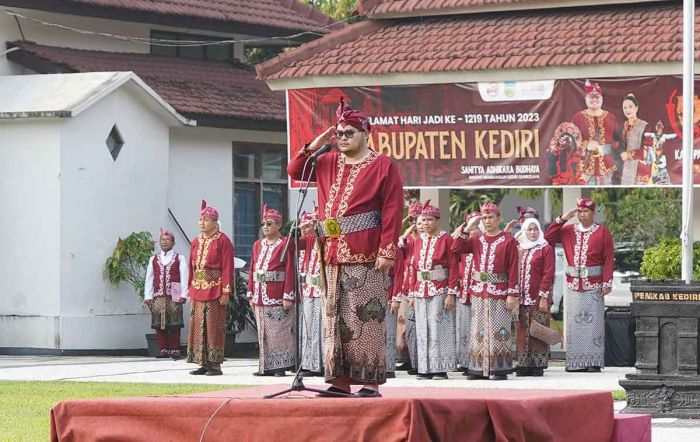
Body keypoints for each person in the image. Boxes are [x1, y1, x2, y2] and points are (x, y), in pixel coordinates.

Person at [287, 97, 403, 398]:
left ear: (366, 134)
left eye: (348, 133)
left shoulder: (382, 166)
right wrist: (317, 143)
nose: (342, 138)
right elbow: (295, 170)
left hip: (366, 252)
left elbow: (392, 209)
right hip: (332, 254)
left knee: (366, 316)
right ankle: (339, 380)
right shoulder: (326, 161)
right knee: (334, 317)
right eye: (338, 133)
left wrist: (387, 250)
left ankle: (370, 381)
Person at [450, 202, 519, 380]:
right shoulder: (476, 239)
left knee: (499, 328)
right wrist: (468, 227)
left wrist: (512, 293)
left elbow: (513, 268)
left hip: (500, 290)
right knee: (478, 328)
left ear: (499, 219)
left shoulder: (508, 240)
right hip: (479, 291)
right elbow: (455, 249)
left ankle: (498, 368)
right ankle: (478, 368)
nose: (487, 221)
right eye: (485, 218)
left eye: (491, 217)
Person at [545, 198, 614, 372]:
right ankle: (575, 362)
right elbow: (548, 237)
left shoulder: (602, 232)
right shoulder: (569, 230)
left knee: (593, 324)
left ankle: (593, 362)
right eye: (580, 212)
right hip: (573, 284)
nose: (583, 215)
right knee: (574, 324)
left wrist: (607, 282)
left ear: (593, 212)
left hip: (594, 284)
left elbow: (608, 258)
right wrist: (563, 218)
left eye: (586, 212)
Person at [408, 200, 458, 380]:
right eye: (423, 220)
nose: (426, 223)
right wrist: (412, 294)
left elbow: (453, 267)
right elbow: (413, 268)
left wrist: (451, 293)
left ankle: (440, 368)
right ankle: (425, 368)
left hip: (440, 289)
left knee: (438, 327)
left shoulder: (446, 238)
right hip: (421, 289)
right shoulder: (417, 241)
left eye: (430, 219)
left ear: (437, 220)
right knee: (422, 329)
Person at [247, 205, 296, 377]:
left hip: (277, 295)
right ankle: (265, 366)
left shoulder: (285, 244)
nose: (265, 227)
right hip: (260, 294)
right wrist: (250, 292)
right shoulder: (257, 245)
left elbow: (290, 270)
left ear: (279, 225)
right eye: (263, 224)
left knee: (278, 332)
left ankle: (280, 366)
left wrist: (288, 295)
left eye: (269, 224)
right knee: (263, 333)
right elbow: (253, 268)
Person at [187, 200, 234, 376]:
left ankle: (215, 364)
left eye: (206, 219)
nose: (202, 223)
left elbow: (227, 267)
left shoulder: (223, 241)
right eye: (200, 219)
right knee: (198, 325)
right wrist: (190, 289)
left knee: (213, 326)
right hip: (197, 289)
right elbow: (192, 267)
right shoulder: (196, 241)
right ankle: (202, 362)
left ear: (215, 222)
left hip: (215, 288)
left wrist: (226, 291)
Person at [515, 218, 555, 377]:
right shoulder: (519, 248)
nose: (533, 232)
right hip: (520, 298)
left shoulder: (545, 248)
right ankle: (523, 364)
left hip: (538, 297)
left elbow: (548, 273)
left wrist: (544, 296)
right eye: (529, 229)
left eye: (535, 229)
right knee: (521, 330)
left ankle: (538, 364)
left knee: (538, 329)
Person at [144, 228, 188, 359]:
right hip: (158, 296)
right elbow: (149, 278)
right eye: (162, 240)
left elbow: (184, 276)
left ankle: (175, 349)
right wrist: (148, 296)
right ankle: (163, 348)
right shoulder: (154, 259)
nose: (164, 242)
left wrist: (183, 294)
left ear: (173, 243)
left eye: (167, 240)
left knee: (175, 323)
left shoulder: (179, 258)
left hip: (174, 296)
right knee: (159, 323)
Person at [570, 80, 620, 185]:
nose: (594, 99)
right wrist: (586, 144)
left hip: (607, 168)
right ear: (585, 99)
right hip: (584, 169)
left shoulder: (611, 118)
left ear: (602, 99)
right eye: (591, 96)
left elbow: (619, 142)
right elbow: (570, 142)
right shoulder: (577, 118)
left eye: (597, 96)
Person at [396, 202, 423, 375]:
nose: (415, 223)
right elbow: (397, 252)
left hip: (420, 288)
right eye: (412, 219)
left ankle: (420, 361)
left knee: (418, 326)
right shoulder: (408, 240)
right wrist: (404, 234)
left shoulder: (425, 239)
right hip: (406, 287)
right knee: (405, 325)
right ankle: (408, 358)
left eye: (418, 219)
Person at [452, 211, 480, 375]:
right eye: (472, 224)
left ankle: (476, 361)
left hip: (478, 292)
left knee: (476, 329)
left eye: (477, 224)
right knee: (463, 328)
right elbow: (453, 252)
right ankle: (464, 361)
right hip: (463, 291)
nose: (474, 228)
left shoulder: (482, 241)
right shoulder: (463, 241)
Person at [298, 209, 323, 377]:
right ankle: (308, 363)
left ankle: (321, 365)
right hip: (308, 289)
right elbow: (292, 243)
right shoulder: (306, 241)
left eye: (312, 224)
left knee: (321, 327)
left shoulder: (326, 240)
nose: (307, 229)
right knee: (307, 327)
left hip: (323, 289)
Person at [619, 94, 651, 185]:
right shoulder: (623, 125)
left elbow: (648, 150)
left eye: (630, 107)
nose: (627, 110)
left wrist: (628, 155)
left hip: (640, 169)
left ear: (636, 108)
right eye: (625, 107)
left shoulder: (644, 126)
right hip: (625, 169)